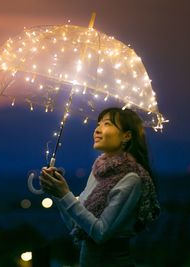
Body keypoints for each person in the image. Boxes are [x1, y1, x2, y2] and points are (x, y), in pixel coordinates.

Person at [39, 107, 160, 267]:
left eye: (107, 124)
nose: (97, 129)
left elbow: (100, 233)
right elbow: (77, 225)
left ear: (127, 136)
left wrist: (65, 194)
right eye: (98, 124)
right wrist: (56, 193)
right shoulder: (99, 171)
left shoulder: (131, 179)